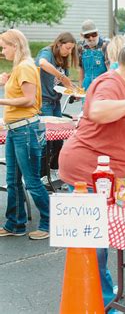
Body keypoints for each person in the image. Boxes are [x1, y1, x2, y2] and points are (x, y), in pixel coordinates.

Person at [58, 22, 125, 309]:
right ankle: (100, 301)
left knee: (100, 237)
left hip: (108, 174)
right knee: (94, 241)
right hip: (86, 170)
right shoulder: (109, 83)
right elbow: (98, 111)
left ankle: (101, 288)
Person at [0, 29, 50, 240]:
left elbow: (29, 100)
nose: (2, 51)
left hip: (25, 130)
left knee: (31, 181)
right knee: (12, 180)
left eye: (4, 47)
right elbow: (21, 94)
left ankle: (49, 223)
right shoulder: (20, 68)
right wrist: (5, 83)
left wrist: (1, 100)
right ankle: (15, 223)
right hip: (16, 130)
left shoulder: (26, 67)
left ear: (15, 46)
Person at [35, 32, 78, 181]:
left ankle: (53, 170)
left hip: (55, 102)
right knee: (46, 140)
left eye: (72, 49)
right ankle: (41, 175)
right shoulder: (47, 53)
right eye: (67, 48)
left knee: (59, 138)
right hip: (43, 102)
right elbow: (42, 64)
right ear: (59, 44)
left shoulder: (63, 58)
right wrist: (62, 77)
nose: (69, 52)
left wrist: (73, 90)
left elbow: (61, 84)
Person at [77, 19, 109, 91]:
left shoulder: (105, 46)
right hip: (87, 87)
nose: (91, 38)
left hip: (102, 87)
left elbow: (110, 69)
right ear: (82, 36)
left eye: (94, 34)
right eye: (87, 36)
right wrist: (79, 88)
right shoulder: (80, 47)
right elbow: (81, 69)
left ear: (97, 32)